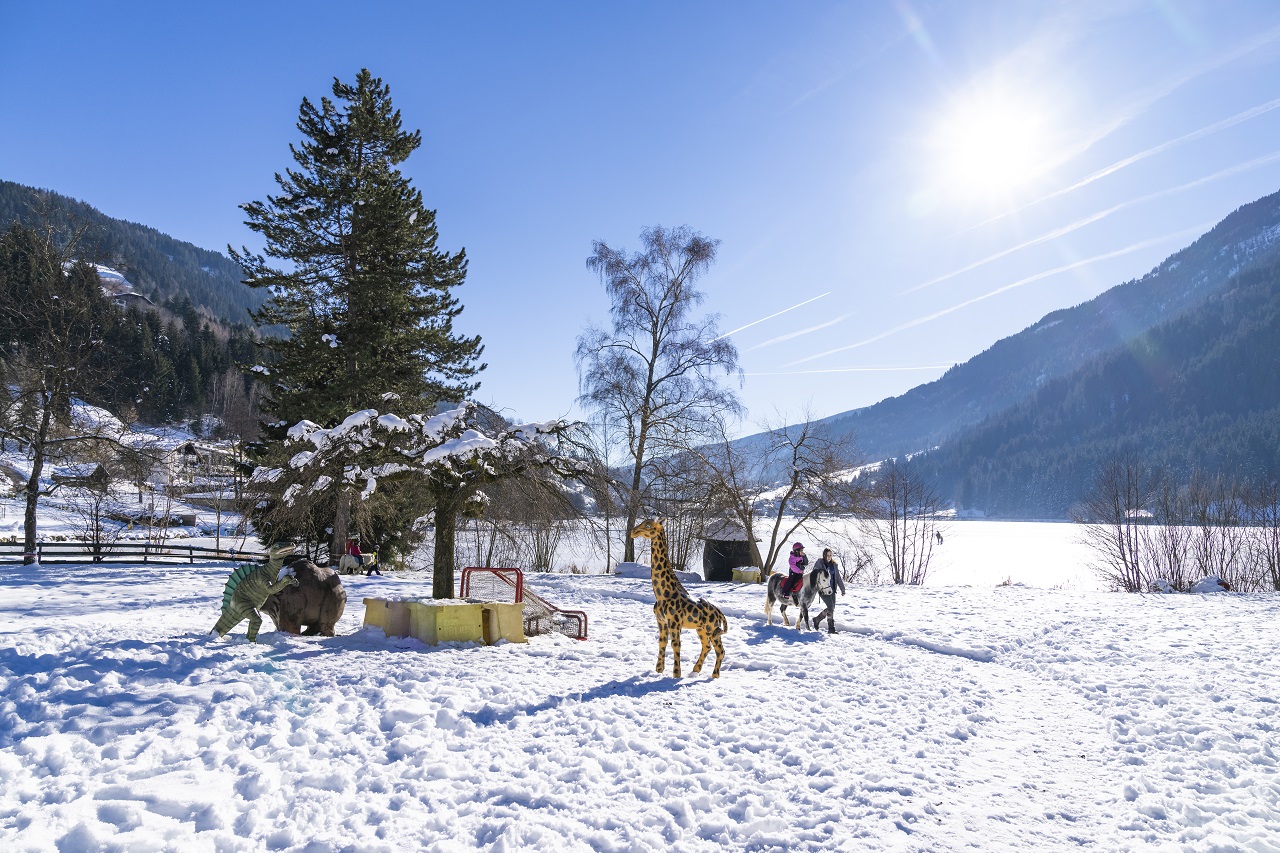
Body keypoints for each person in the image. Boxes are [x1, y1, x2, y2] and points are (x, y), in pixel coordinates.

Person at [811, 548, 846, 635]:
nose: (829, 557)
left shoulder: (834, 565)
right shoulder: (820, 562)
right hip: (823, 589)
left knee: (832, 608)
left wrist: (842, 589)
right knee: (830, 607)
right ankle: (831, 628)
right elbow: (814, 572)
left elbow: (838, 577)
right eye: (827, 555)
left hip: (832, 589)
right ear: (824, 555)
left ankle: (817, 619)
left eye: (830, 555)